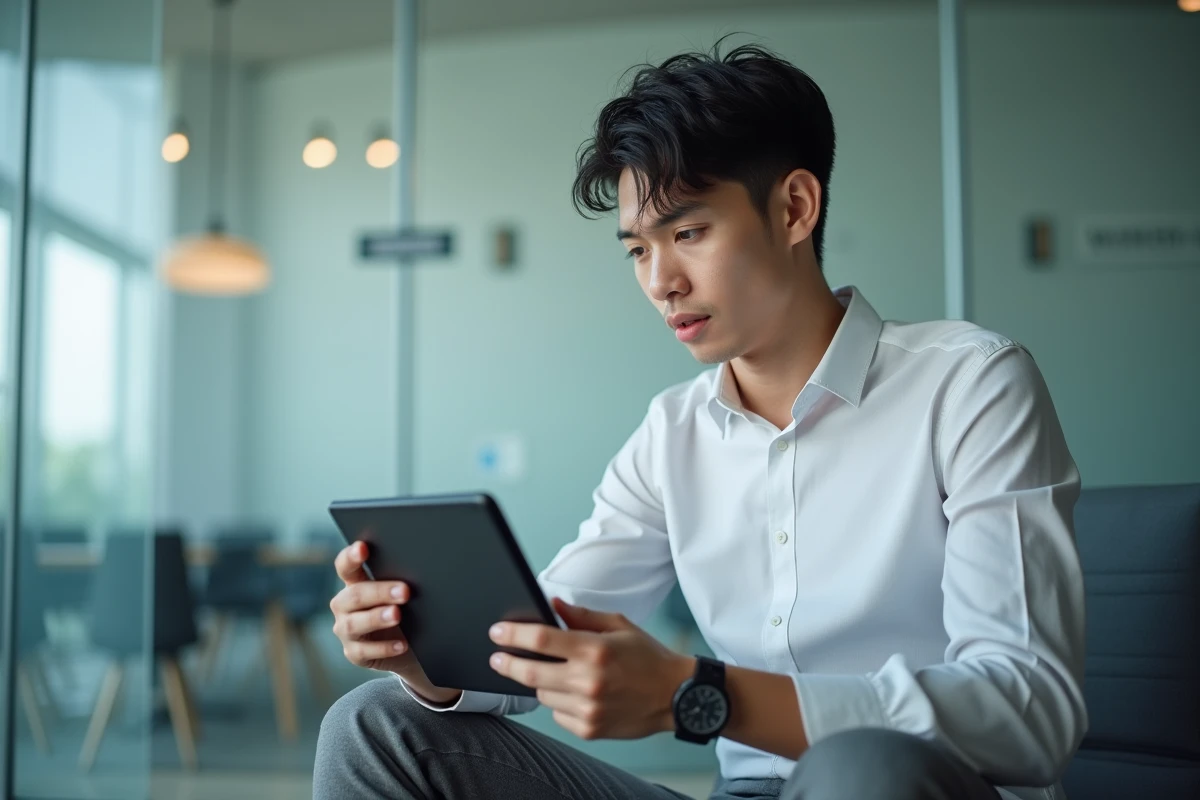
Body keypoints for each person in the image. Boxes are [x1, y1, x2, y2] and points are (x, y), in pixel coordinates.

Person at [314, 41, 1086, 800]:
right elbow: (548, 632)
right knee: (376, 723)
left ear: (794, 208)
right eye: (637, 251)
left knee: (861, 768)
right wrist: (423, 656)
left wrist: (698, 694)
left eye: (687, 233)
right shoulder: (671, 433)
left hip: (911, 787)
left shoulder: (971, 383)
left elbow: (1029, 712)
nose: (661, 281)